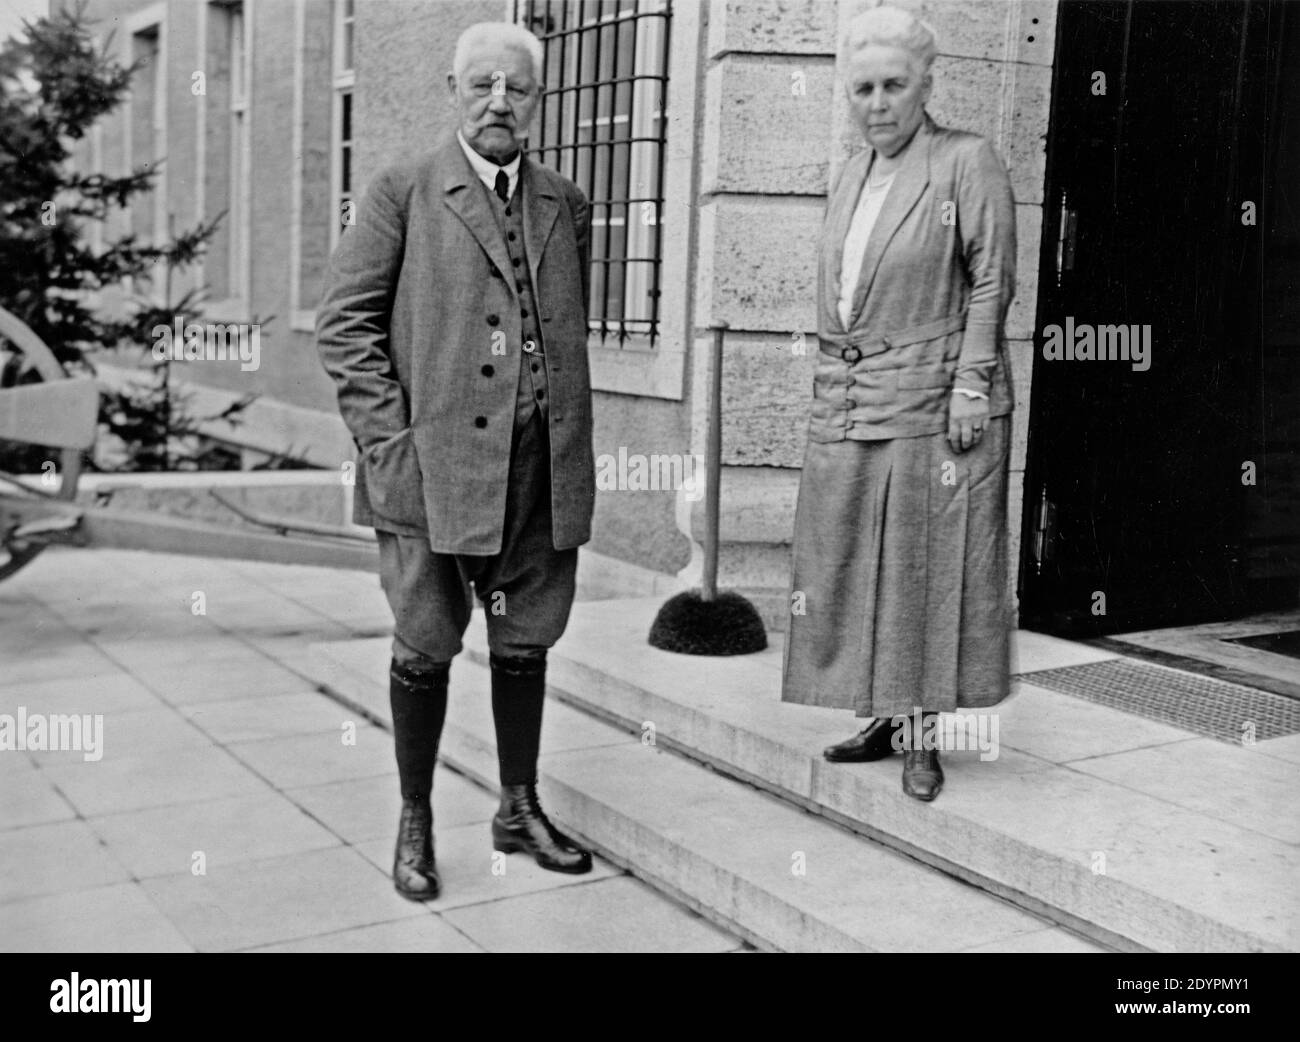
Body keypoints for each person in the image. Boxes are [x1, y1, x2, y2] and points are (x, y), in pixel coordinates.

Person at [316, 21, 595, 899]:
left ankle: (517, 806)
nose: (498, 103)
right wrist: (389, 449)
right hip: (430, 474)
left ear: (538, 100)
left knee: (527, 639)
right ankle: (415, 820)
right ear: (452, 89)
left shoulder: (565, 202)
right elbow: (344, 328)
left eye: (516, 88)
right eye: (481, 85)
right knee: (426, 643)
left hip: (537, 471)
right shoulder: (402, 191)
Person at [781, 5, 1017, 802]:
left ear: (925, 86)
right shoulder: (849, 172)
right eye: (863, 89)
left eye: (893, 86)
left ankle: (923, 732)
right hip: (853, 394)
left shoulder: (965, 161)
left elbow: (991, 279)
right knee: (847, 555)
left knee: (923, 565)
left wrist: (972, 385)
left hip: (934, 394)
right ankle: (880, 712)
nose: (877, 102)